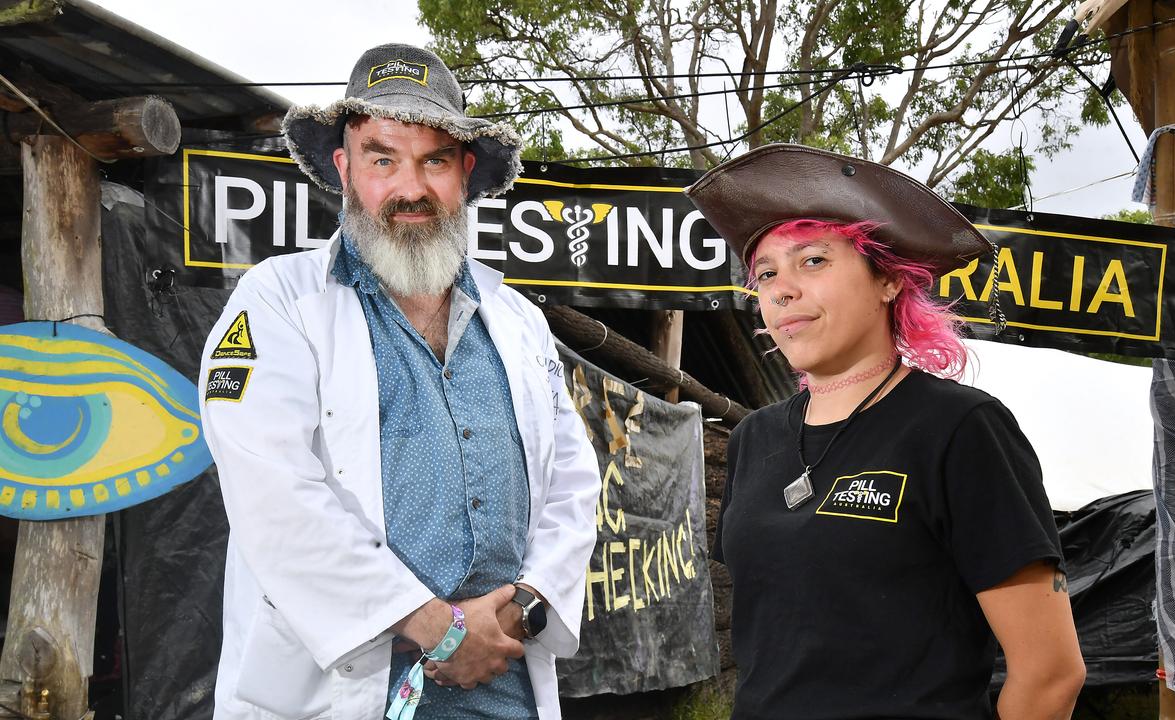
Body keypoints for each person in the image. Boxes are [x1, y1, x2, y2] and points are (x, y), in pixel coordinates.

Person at [199, 44, 601, 720]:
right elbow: (276, 499)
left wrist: (525, 610)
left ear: (466, 173)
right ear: (344, 169)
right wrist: (437, 627)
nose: (408, 188)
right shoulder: (276, 302)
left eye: (433, 160)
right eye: (382, 158)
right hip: (338, 691)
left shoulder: (519, 320)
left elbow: (571, 483)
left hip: (501, 687)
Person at [685, 144, 1086, 720]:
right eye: (767, 273)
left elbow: (1051, 674)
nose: (781, 289)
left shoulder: (960, 429)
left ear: (888, 281)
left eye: (813, 261)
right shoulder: (755, 439)